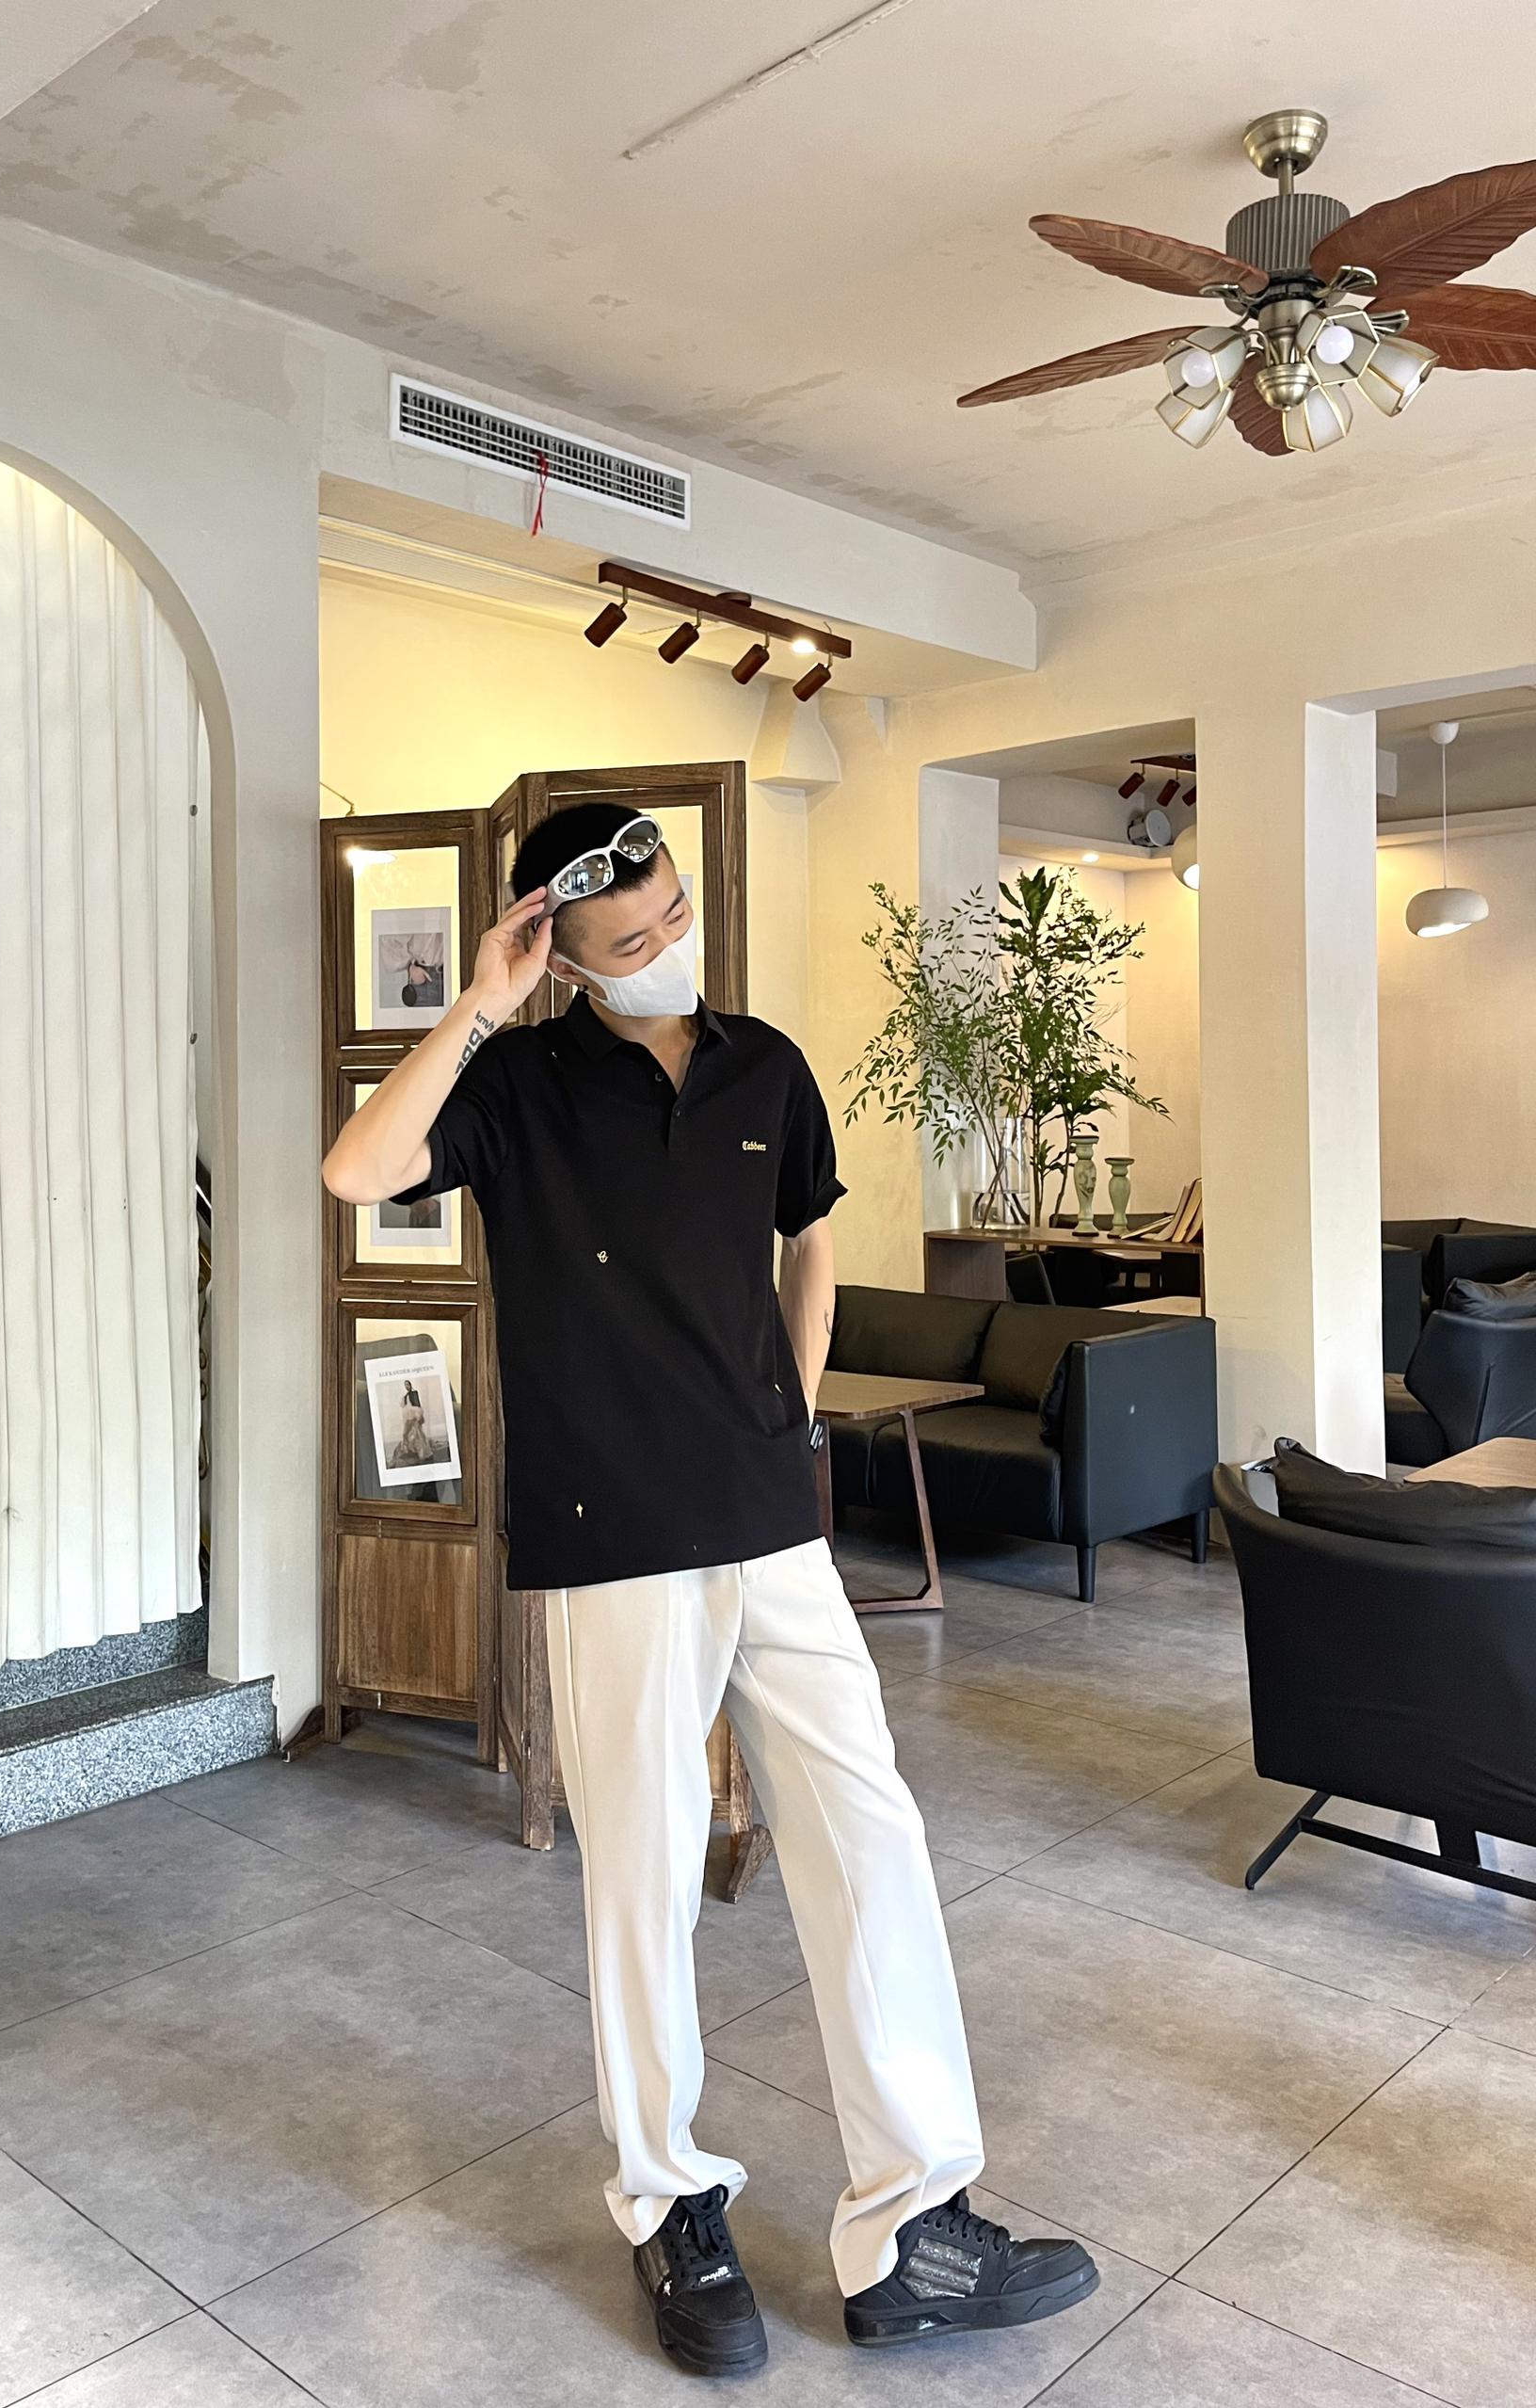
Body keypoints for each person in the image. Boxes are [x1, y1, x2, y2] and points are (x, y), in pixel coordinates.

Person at [323, 801, 1097, 2375]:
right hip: (609, 1531)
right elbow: (359, 1168)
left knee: (868, 1832)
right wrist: (478, 1001)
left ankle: (910, 2225)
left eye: (672, 913)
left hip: (767, 1516)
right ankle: (670, 2200)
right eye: (626, 939)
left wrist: (790, 1408)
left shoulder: (765, 1069)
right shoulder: (515, 1085)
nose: (665, 945)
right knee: (643, 1869)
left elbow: (809, 1240)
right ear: (563, 956)